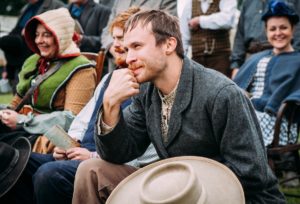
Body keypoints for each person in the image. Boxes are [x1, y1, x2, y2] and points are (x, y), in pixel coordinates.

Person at [73, 10, 285, 203]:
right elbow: (119, 153)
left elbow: (251, 172)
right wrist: (110, 106)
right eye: (127, 49)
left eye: (137, 46)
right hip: (172, 184)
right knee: (91, 170)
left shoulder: (222, 93)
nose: (128, 58)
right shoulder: (147, 91)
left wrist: (179, 187)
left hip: (232, 195)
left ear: (169, 45)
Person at [0, 7, 159, 204]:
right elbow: (83, 120)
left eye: (127, 42)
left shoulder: (151, 85)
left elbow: (145, 148)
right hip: (76, 150)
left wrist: (91, 155)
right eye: (115, 39)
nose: (117, 46)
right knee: (13, 161)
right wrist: (68, 143)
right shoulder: (110, 77)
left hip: (105, 162)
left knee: (47, 173)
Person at [0, 8, 96, 145]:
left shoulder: (82, 69)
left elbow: (72, 119)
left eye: (46, 35)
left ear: (61, 36)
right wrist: (5, 112)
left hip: (52, 138)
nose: (39, 40)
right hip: (24, 128)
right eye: (37, 34)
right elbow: (17, 103)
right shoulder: (33, 61)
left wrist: (24, 120)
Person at [234, 1, 300, 187]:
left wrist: (256, 103)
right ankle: (232, 170)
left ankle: (249, 176)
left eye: (283, 28)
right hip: (252, 111)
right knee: (228, 116)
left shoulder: (297, 61)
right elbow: (237, 85)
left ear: (292, 29)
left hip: (279, 120)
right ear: (266, 32)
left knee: (241, 123)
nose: (278, 33)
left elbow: (295, 93)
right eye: (272, 29)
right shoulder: (258, 58)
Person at [0, 0, 64, 93]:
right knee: (19, 97)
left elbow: (62, 31)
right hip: (19, 60)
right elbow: (14, 31)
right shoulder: (26, 8)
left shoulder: (56, 6)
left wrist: (31, 30)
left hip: (37, 58)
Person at [101, 0, 177, 73]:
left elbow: (167, 30)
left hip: (146, 69)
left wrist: (131, 47)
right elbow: (107, 30)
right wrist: (116, 48)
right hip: (116, 66)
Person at [230, 0, 300, 78]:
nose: (278, 32)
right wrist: (236, 66)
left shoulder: (293, 2)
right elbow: (240, 36)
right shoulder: (248, 2)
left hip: (283, 58)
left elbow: (297, 34)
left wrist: (292, 61)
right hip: (251, 60)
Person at [180, 0, 236, 77]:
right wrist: (180, 62)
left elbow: (228, 20)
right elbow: (184, 38)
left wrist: (200, 20)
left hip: (220, 60)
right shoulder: (189, 4)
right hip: (197, 61)